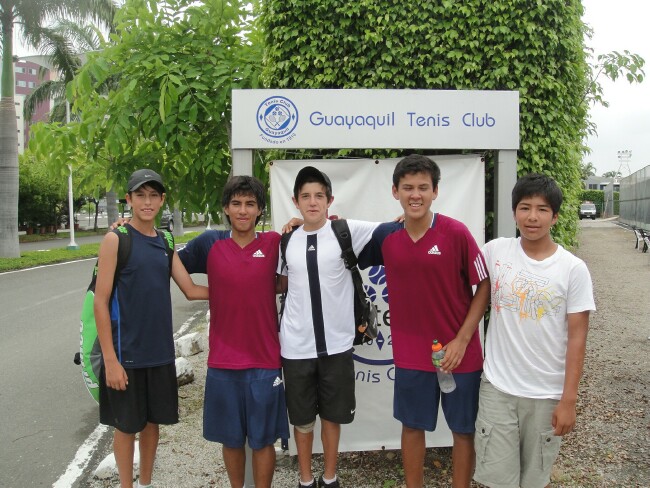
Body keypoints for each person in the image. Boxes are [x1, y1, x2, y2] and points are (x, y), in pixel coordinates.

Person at [357, 154, 491, 488]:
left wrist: (461, 340)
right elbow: (339, 237)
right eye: (407, 188)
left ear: (435, 192)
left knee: (463, 430)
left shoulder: (456, 233)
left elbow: (485, 284)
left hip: (459, 354)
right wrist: (300, 225)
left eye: (422, 188)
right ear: (395, 192)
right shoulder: (386, 237)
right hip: (411, 355)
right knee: (412, 427)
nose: (415, 194)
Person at [473, 173, 595, 488]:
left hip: (547, 395)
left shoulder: (573, 269)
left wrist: (569, 400)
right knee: (498, 480)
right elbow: (452, 267)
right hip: (498, 389)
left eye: (542, 209)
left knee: (533, 480)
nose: (532, 217)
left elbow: (577, 338)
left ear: (554, 216)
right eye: (525, 207)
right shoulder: (496, 252)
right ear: (514, 212)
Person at [94, 169, 208, 488]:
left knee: (152, 424)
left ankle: (145, 483)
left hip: (159, 354)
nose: (147, 201)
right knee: (126, 426)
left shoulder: (165, 241)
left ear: (162, 200)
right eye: (140, 195)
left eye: (153, 195)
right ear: (128, 200)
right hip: (125, 354)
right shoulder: (116, 240)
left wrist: (239, 288)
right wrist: (111, 361)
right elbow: (100, 303)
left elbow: (189, 288)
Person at [178, 175, 290, 488]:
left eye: (250, 204)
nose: (243, 210)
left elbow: (289, 278)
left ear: (259, 210)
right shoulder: (209, 243)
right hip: (223, 361)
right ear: (226, 208)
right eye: (236, 203)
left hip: (265, 359)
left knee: (263, 440)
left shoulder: (273, 244)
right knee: (231, 440)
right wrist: (209, 292)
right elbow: (166, 260)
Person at [278, 166, 380, 488]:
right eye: (305, 196)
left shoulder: (344, 232)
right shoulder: (285, 241)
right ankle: (306, 480)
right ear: (295, 201)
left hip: (336, 345)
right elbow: (280, 283)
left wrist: (407, 218)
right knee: (303, 420)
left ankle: (330, 477)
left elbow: (391, 230)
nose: (312, 202)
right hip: (295, 347)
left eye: (318, 196)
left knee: (333, 416)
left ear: (329, 200)